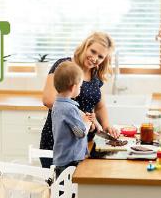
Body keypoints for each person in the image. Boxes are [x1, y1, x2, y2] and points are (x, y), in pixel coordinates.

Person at [40, 31, 120, 168]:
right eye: (93, 51)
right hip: (60, 143)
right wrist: (83, 116)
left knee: (78, 187)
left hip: (82, 143)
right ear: (86, 46)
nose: (95, 58)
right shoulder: (65, 66)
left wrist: (106, 126)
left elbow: (99, 106)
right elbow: (48, 99)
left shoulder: (96, 74)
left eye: (100, 56)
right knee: (59, 187)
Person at [52, 61, 93, 177]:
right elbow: (80, 133)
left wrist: (81, 119)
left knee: (61, 192)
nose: (80, 89)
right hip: (71, 160)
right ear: (73, 87)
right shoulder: (70, 109)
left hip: (61, 157)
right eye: (80, 86)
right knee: (71, 193)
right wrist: (86, 124)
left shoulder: (57, 104)